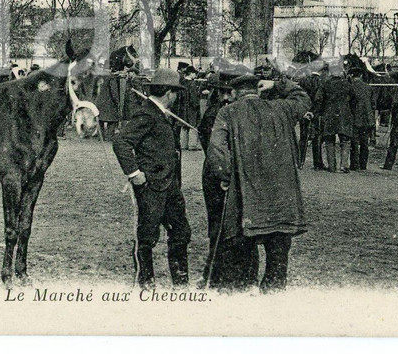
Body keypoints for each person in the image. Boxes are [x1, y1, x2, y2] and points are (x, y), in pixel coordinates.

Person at [204, 74, 311, 292]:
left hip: (248, 200)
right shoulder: (282, 109)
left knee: (243, 256)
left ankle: (246, 298)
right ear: (259, 90)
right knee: (278, 263)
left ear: (234, 93)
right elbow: (303, 98)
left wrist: (226, 178)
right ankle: (273, 302)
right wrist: (279, 84)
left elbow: (215, 150)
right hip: (282, 202)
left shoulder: (227, 112)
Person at [112, 68, 191, 289]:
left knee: (181, 233)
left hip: (171, 186)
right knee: (147, 237)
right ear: (168, 93)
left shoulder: (159, 113)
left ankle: (181, 284)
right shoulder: (147, 113)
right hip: (152, 187)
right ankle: (146, 284)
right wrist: (134, 173)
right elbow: (121, 142)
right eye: (176, 93)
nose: (177, 97)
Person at [197, 71, 250, 289]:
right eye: (225, 93)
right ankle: (215, 275)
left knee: (238, 226)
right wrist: (225, 172)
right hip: (219, 176)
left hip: (229, 174)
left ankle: (235, 274)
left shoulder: (231, 113)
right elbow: (211, 146)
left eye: (231, 93)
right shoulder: (216, 114)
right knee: (220, 228)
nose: (228, 97)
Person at [314, 63, 355, 173]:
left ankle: (332, 166)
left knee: (329, 140)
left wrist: (319, 112)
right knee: (345, 141)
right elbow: (354, 99)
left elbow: (318, 99)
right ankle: (344, 166)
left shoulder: (325, 84)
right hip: (344, 115)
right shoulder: (348, 84)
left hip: (329, 115)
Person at [349, 67, 375, 171]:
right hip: (367, 118)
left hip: (355, 118)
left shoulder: (351, 87)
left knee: (354, 143)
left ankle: (354, 165)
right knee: (364, 143)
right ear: (360, 76)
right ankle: (363, 165)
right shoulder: (368, 87)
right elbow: (373, 104)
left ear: (352, 76)